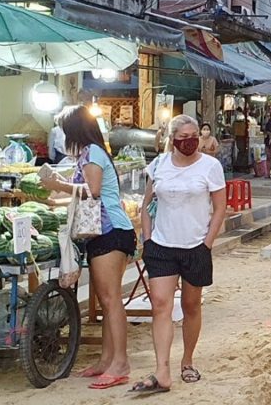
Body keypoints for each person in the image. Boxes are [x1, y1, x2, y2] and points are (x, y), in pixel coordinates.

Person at [40, 105, 136, 389]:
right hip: (101, 232)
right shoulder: (87, 153)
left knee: (110, 299)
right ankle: (107, 360)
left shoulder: (93, 152)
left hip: (111, 231)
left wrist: (58, 183)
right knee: (108, 300)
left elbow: (92, 191)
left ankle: (120, 363)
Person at [132, 115, 227, 394]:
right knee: (160, 304)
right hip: (161, 244)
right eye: (183, 137)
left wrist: (207, 242)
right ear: (173, 140)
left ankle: (187, 360)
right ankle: (162, 369)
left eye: (193, 135)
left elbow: (220, 206)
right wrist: (148, 239)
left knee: (191, 305)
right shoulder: (159, 165)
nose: (189, 142)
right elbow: (147, 204)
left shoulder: (211, 166)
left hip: (195, 245)